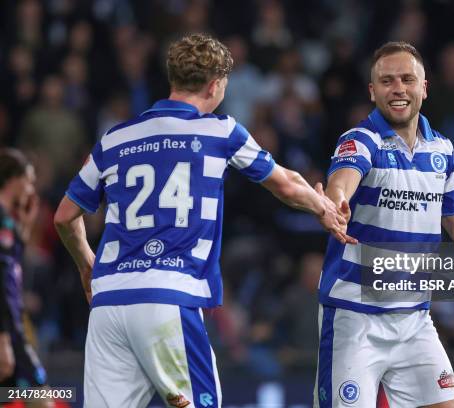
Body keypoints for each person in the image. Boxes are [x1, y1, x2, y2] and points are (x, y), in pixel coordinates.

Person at [54, 33, 353, 408]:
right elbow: (287, 184)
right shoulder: (220, 130)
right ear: (215, 85)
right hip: (168, 298)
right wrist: (323, 209)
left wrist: (86, 263)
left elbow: (65, 216)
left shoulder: (114, 139)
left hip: (108, 303)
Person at [315, 42, 454, 408]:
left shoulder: (442, 150)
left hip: (415, 319)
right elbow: (343, 182)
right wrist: (335, 202)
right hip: (356, 319)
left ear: (424, 87)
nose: (397, 88)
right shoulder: (360, 140)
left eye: (406, 79)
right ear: (373, 91)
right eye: (386, 81)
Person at [0, 148, 52, 408]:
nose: (32, 189)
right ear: (14, 179)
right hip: (7, 333)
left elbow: (11, 269)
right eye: (29, 181)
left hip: (12, 329)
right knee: (42, 398)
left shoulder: (8, 221)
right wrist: (3, 338)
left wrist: (26, 226)